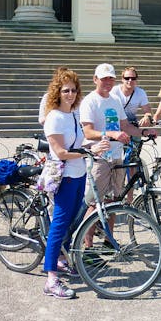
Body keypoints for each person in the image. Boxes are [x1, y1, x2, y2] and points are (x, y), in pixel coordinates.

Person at [41, 68, 109, 299]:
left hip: (78, 175)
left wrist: (94, 147)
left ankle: (61, 259)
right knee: (59, 226)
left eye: (73, 90)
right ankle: (51, 279)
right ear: (57, 92)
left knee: (73, 220)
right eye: (65, 90)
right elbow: (60, 152)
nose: (70, 94)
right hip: (64, 177)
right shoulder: (54, 117)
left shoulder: (73, 114)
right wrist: (87, 152)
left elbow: (79, 146)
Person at [79, 64, 156, 229]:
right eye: (104, 78)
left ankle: (109, 240)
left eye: (110, 78)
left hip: (116, 156)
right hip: (99, 158)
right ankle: (88, 247)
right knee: (94, 204)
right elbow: (88, 132)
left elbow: (126, 126)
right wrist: (112, 134)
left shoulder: (115, 100)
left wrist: (144, 132)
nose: (108, 81)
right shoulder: (90, 101)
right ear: (95, 80)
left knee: (114, 201)